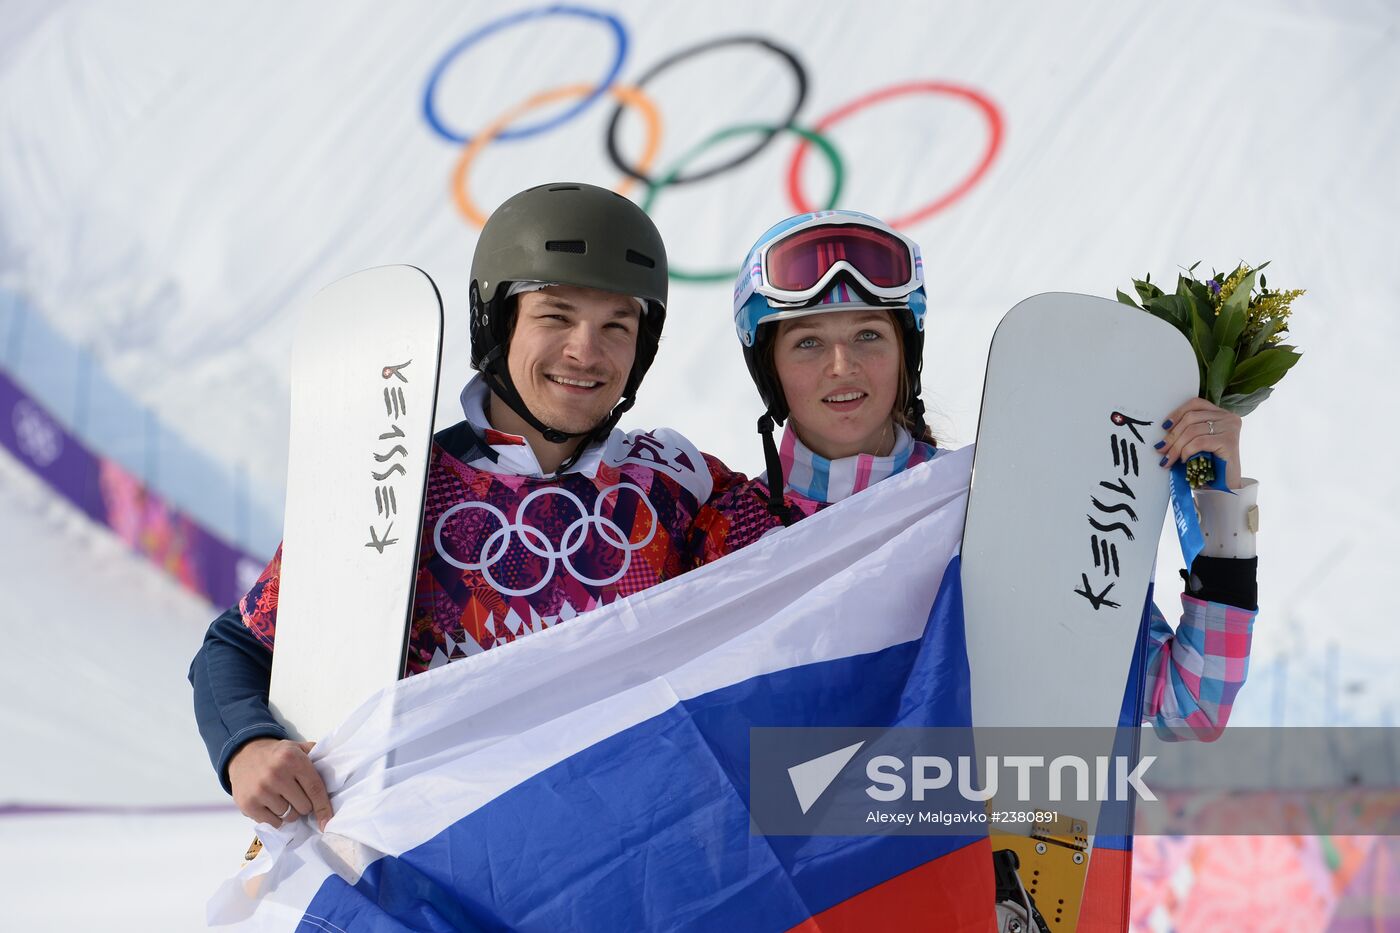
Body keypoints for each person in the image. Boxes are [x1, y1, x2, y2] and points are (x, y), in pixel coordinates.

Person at [189, 183, 740, 830]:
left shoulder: (677, 485)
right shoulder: (399, 485)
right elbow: (237, 645)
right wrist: (248, 744)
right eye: (556, 316)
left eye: (617, 326)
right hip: (440, 860)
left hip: (622, 851)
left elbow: (822, 561)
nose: (586, 351)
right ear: (497, 322)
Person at [690, 210, 1260, 737]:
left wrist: (1222, 516)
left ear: (905, 352)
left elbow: (1189, 709)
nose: (843, 367)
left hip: (962, 840)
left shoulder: (999, 505)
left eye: (868, 334)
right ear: (770, 369)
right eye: (808, 342)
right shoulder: (729, 533)